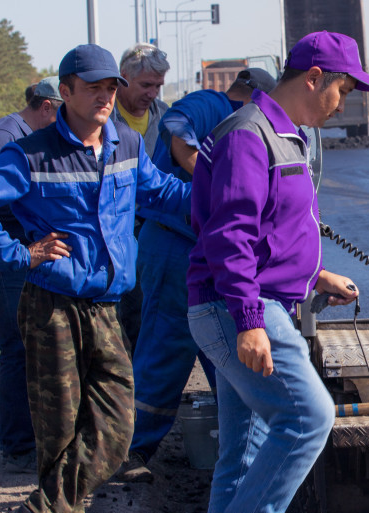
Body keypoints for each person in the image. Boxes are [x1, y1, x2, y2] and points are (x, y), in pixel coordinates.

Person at [0, 44, 190, 513]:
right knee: (61, 428)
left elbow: (162, 194)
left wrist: (226, 198)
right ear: (66, 92)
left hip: (105, 305)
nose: (106, 96)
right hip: (52, 306)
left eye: (110, 88)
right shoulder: (32, 153)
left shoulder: (126, 142)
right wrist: (18, 253)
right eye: (93, 88)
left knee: (116, 424)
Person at [187, 31, 369, 513]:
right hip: (239, 309)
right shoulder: (251, 134)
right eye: (345, 87)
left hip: (256, 301)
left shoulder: (283, 135)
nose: (345, 101)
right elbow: (232, 235)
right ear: (317, 76)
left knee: (242, 454)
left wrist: (314, 273)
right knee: (308, 417)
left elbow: (272, 228)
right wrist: (250, 322)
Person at [120, 68, 278, 484]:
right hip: (174, 244)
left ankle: (242, 447)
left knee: (223, 350)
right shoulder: (215, 104)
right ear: (253, 94)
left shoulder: (239, 120)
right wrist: (215, 184)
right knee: (166, 348)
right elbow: (177, 129)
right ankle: (129, 449)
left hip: (199, 245)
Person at [0, 77, 64, 474]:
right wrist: (23, 249)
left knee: (29, 347)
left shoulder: (28, 136)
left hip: (17, 259)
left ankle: (32, 440)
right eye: (62, 111)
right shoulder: (4, 137)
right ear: (45, 106)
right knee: (16, 349)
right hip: (1, 261)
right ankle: (18, 447)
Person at [114, 43, 172, 349]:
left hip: (153, 230)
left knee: (150, 308)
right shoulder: (104, 119)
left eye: (158, 86)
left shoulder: (166, 118)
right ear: (123, 77)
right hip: (115, 230)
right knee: (121, 309)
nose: (152, 93)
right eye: (146, 85)